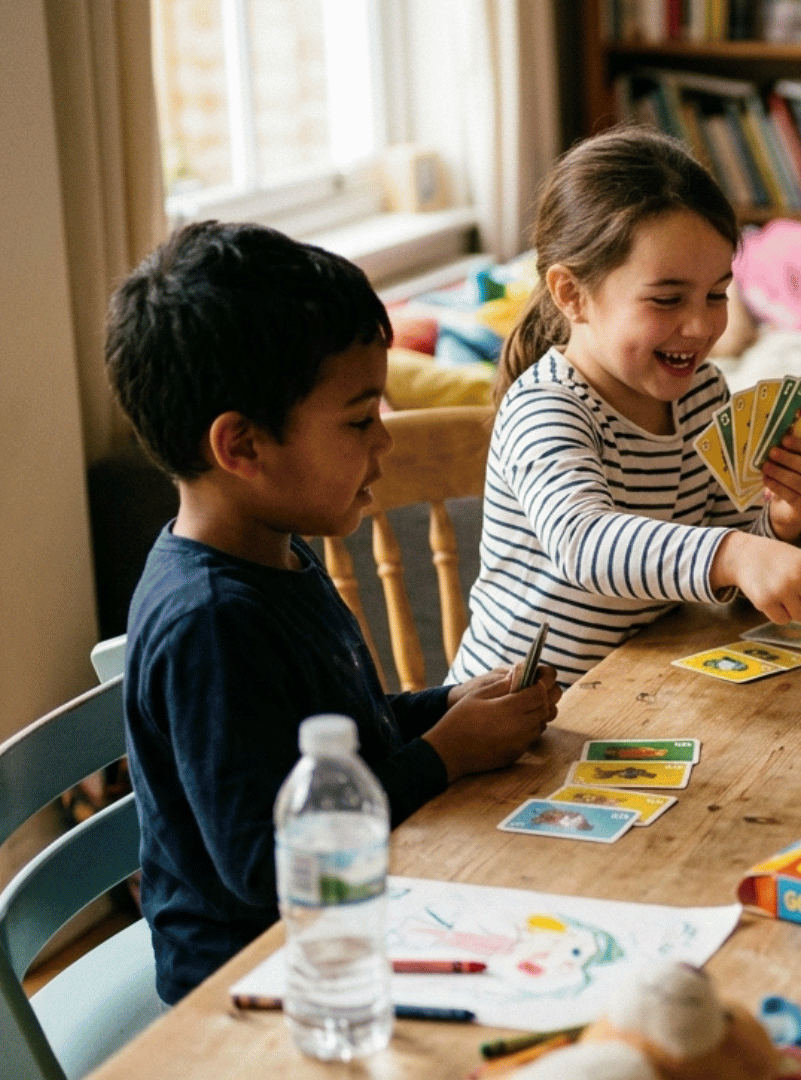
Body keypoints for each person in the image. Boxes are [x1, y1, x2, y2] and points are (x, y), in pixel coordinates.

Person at [107, 221, 562, 1004]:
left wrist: (444, 708)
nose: (384, 441)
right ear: (241, 447)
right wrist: (445, 754)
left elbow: (334, 734)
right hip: (258, 978)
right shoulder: (210, 623)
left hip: (347, 921)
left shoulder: (272, 547)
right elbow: (265, 865)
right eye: (358, 419)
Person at [448, 126, 801, 689]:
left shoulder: (703, 394)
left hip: (635, 699)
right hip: (507, 718)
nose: (701, 326)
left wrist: (782, 524)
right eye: (667, 299)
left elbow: (730, 566)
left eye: (717, 295)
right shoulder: (545, 407)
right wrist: (736, 553)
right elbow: (584, 543)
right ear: (571, 295)